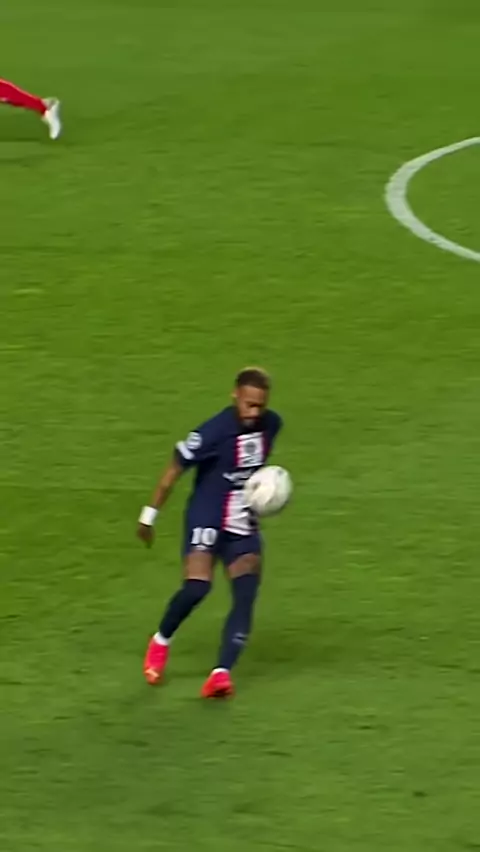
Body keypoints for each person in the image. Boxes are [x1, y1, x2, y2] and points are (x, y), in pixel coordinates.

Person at [137, 367, 283, 698]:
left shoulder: (272, 425)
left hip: (243, 524)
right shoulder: (212, 432)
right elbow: (173, 471)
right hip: (206, 516)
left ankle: (221, 673)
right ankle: (161, 641)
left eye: (260, 406)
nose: (254, 412)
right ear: (235, 396)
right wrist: (149, 517)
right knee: (197, 587)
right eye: (248, 404)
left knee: (245, 595)